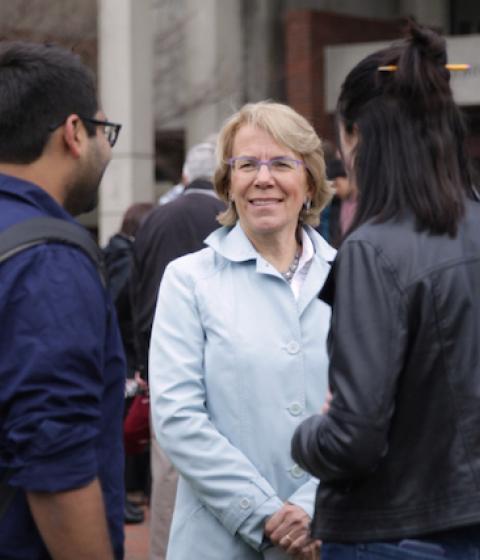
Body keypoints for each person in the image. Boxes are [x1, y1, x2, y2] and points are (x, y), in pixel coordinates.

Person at [291, 21, 480, 560]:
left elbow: (352, 438)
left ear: (357, 137)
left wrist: (306, 435)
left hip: (397, 531)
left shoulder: (374, 250)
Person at [149, 101, 335, 559]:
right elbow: (177, 418)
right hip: (219, 541)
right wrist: (265, 514)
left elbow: (376, 411)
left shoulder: (353, 275)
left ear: (309, 181)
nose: (263, 178)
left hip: (330, 537)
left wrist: (313, 506)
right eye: (247, 164)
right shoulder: (188, 279)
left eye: (282, 164)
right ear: (228, 184)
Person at [0, 41, 125, 559]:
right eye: (105, 131)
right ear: (74, 133)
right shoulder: (49, 259)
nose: (108, 149)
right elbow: (54, 459)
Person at [131, 136, 226, 559]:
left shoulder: (153, 219)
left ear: (185, 176)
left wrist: (143, 365)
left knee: (168, 476)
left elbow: (137, 296)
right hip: (222, 362)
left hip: (162, 361)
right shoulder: (228, 216)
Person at [103, 202, 154, 525]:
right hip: (123, 352)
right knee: (121, 429)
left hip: (120, 351)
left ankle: (123, 498)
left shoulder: (115, 252)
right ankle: (121, 499)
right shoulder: (125, 259)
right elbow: (121, 300)